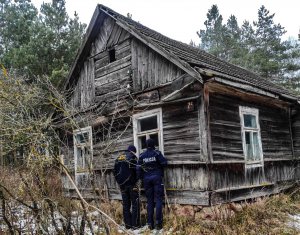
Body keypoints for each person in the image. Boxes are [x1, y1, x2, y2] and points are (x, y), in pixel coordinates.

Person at [137, 139, 168, 230]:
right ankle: (158, 223)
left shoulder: (142, 155)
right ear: (153, 144)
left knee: (149, 201)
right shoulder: (157, 153)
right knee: (158, 199)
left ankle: (150, 223)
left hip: (146, 179)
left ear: (146, 145)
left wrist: (140, 178)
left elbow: (138, 168)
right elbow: (164, 163)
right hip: (157, 178)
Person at [114, 145, 140, 229]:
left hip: (122, 185)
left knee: (126, 205)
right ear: (132, 151)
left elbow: (114, 171)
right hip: (132, 184)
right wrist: (136, 181)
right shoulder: (132, 157)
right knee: (135, 204)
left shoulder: (118, 158)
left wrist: (119, 182)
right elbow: (137, 170)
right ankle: (135, 225)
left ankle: (127, 225)